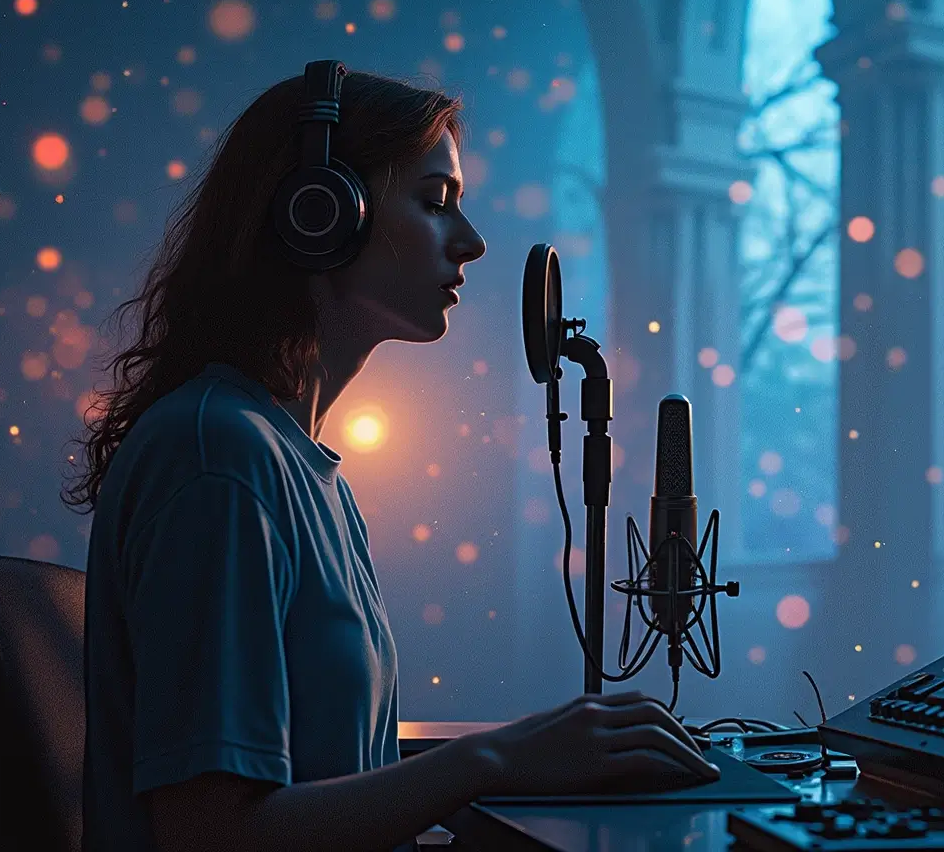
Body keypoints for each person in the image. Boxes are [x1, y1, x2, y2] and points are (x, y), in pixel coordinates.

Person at [64, 68, 718, 852]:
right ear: (321, 213)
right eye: (437, 202)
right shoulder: (220, 460)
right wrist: (494, 757)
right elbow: (212, 833)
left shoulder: (300, 469)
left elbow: (330, 769)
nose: (471, 241)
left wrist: (531, 754)